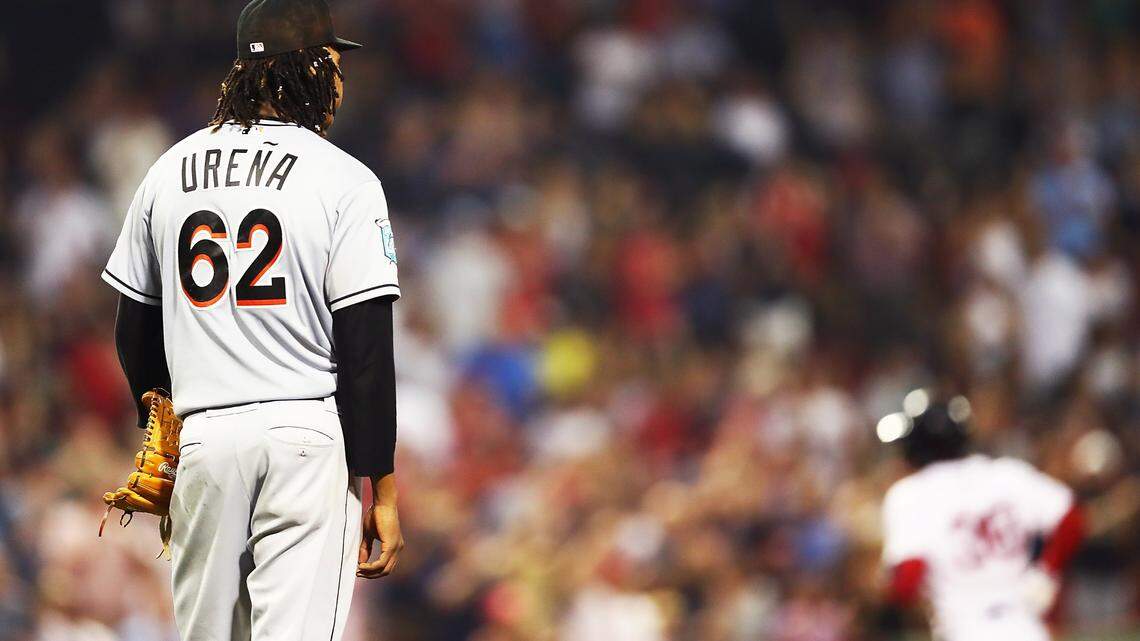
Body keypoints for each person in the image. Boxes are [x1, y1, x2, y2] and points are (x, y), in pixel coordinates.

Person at [101, 1, 403, 639]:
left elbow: (133, 327)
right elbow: (367, 350)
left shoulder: (170, 168)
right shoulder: (345, 179)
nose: (340, 77)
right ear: (315, 65)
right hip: (305, 436)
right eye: (334, 59)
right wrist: (383, 489)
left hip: (207, 438)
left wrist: (161, 419)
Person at [877, 390, 1084, 641]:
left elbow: (907, 582)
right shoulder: (1008, 474)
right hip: (1024, 626)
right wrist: (1045, 572)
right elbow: (1071, 517)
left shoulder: (910, 494)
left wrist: (883, 586)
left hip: (965, 627)